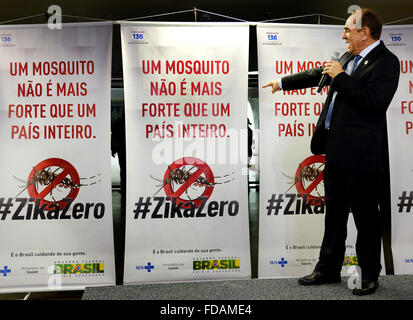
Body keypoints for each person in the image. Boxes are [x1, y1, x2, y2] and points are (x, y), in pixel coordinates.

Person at [263, 8, 400, 295]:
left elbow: (373, 102)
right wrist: (282, 83)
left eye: (348, 29)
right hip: (335, 154)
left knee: (366, 220)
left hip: (362, 159)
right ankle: (327, 269)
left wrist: (340, 77)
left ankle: (368, 275)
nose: (343, 34)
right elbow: (318, 75)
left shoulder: (387, 62)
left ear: (365, 33)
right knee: (334, 217)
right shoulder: (348, 57)